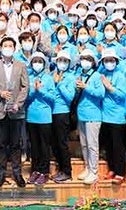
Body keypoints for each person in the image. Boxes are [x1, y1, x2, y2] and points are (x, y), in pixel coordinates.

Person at [0, 36, 28, 188]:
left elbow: (25, 87)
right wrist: (0, 93)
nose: (8, 48)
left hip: (16, 111)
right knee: (1, 144)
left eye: (10, 45)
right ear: (0, 48)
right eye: (5, 45)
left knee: (16, 144)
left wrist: (18, 104)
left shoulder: (21, 65)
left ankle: (17, 173)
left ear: (14, 48)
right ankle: (1, 174)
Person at [75, 49, 105, 185]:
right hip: (81, 114)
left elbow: (101, 94)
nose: (85, 61)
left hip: (93, 114)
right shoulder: (79, 75)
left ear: (93, 62)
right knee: (84, 144)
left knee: (92, 145)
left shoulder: (97, 76)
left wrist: (86, 87)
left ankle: (94, 172)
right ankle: (87, 168)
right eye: (83, 58)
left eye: (88, 59)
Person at [99, 48, 126, 184]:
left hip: (117, 117)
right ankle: (112, 168)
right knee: (108, 145)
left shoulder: (120, 75)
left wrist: (110, 88)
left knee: (118, 147)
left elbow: (122, 95)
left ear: (116, 61)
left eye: (111, 60)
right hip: (104, 116)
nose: (109, 62)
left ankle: (120, 172)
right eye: (106, 60)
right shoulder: (102, 73)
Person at [25, 52, 55, 185]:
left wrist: (41, 91)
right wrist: (34, 91)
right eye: (35, 61)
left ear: (44, 64)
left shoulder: (48, 78)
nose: (37, 64)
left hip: (44, 117)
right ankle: (35, 170)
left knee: (44, 146)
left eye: (40, 61)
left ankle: (44, 172)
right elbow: (25, 97)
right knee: (34, 146)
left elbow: (52, 98)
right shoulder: (29, 78)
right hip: (31, 116)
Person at [50, 51, 76, 183]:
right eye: (60, 60)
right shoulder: (51, 75)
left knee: (62, 143)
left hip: (62, 112)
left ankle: (67, 171)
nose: (62, 63)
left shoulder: (71, 77)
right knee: (54, 143)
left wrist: (59, 84)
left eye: (65, 61)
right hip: (50, 112)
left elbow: (70, 97)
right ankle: (60, 169)